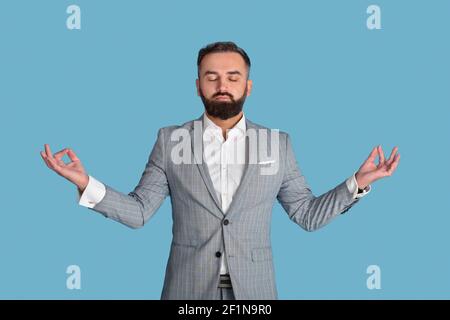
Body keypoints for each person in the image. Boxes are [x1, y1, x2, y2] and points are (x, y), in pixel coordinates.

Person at [40, 41, 400, 300]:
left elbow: (306, 215)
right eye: (211, 77)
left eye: (232, 76)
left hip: (255, 291)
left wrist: (356, 183)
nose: (222, 85)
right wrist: (86, 183)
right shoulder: (170, 140)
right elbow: (138, 212)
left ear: (248, 85)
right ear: (198, 85)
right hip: (187, 288)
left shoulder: (278, 144)